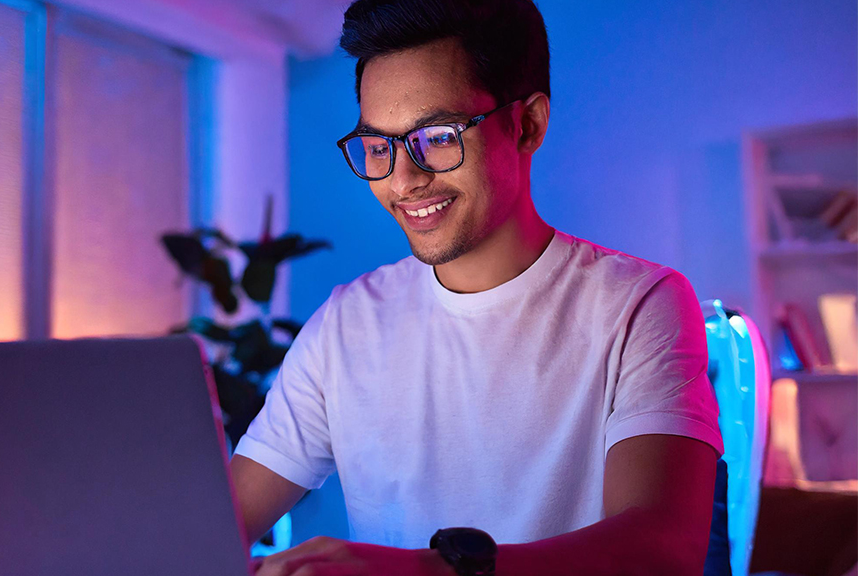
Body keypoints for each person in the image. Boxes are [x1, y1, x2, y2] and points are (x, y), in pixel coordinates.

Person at [232, 1, 724, 574]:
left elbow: (664, 549)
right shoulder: (347, 323)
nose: (404, 179)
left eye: (438, 137)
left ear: (529, 124)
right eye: (378, 146)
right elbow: (214, 524)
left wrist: (427, 570)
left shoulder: (638, 304)